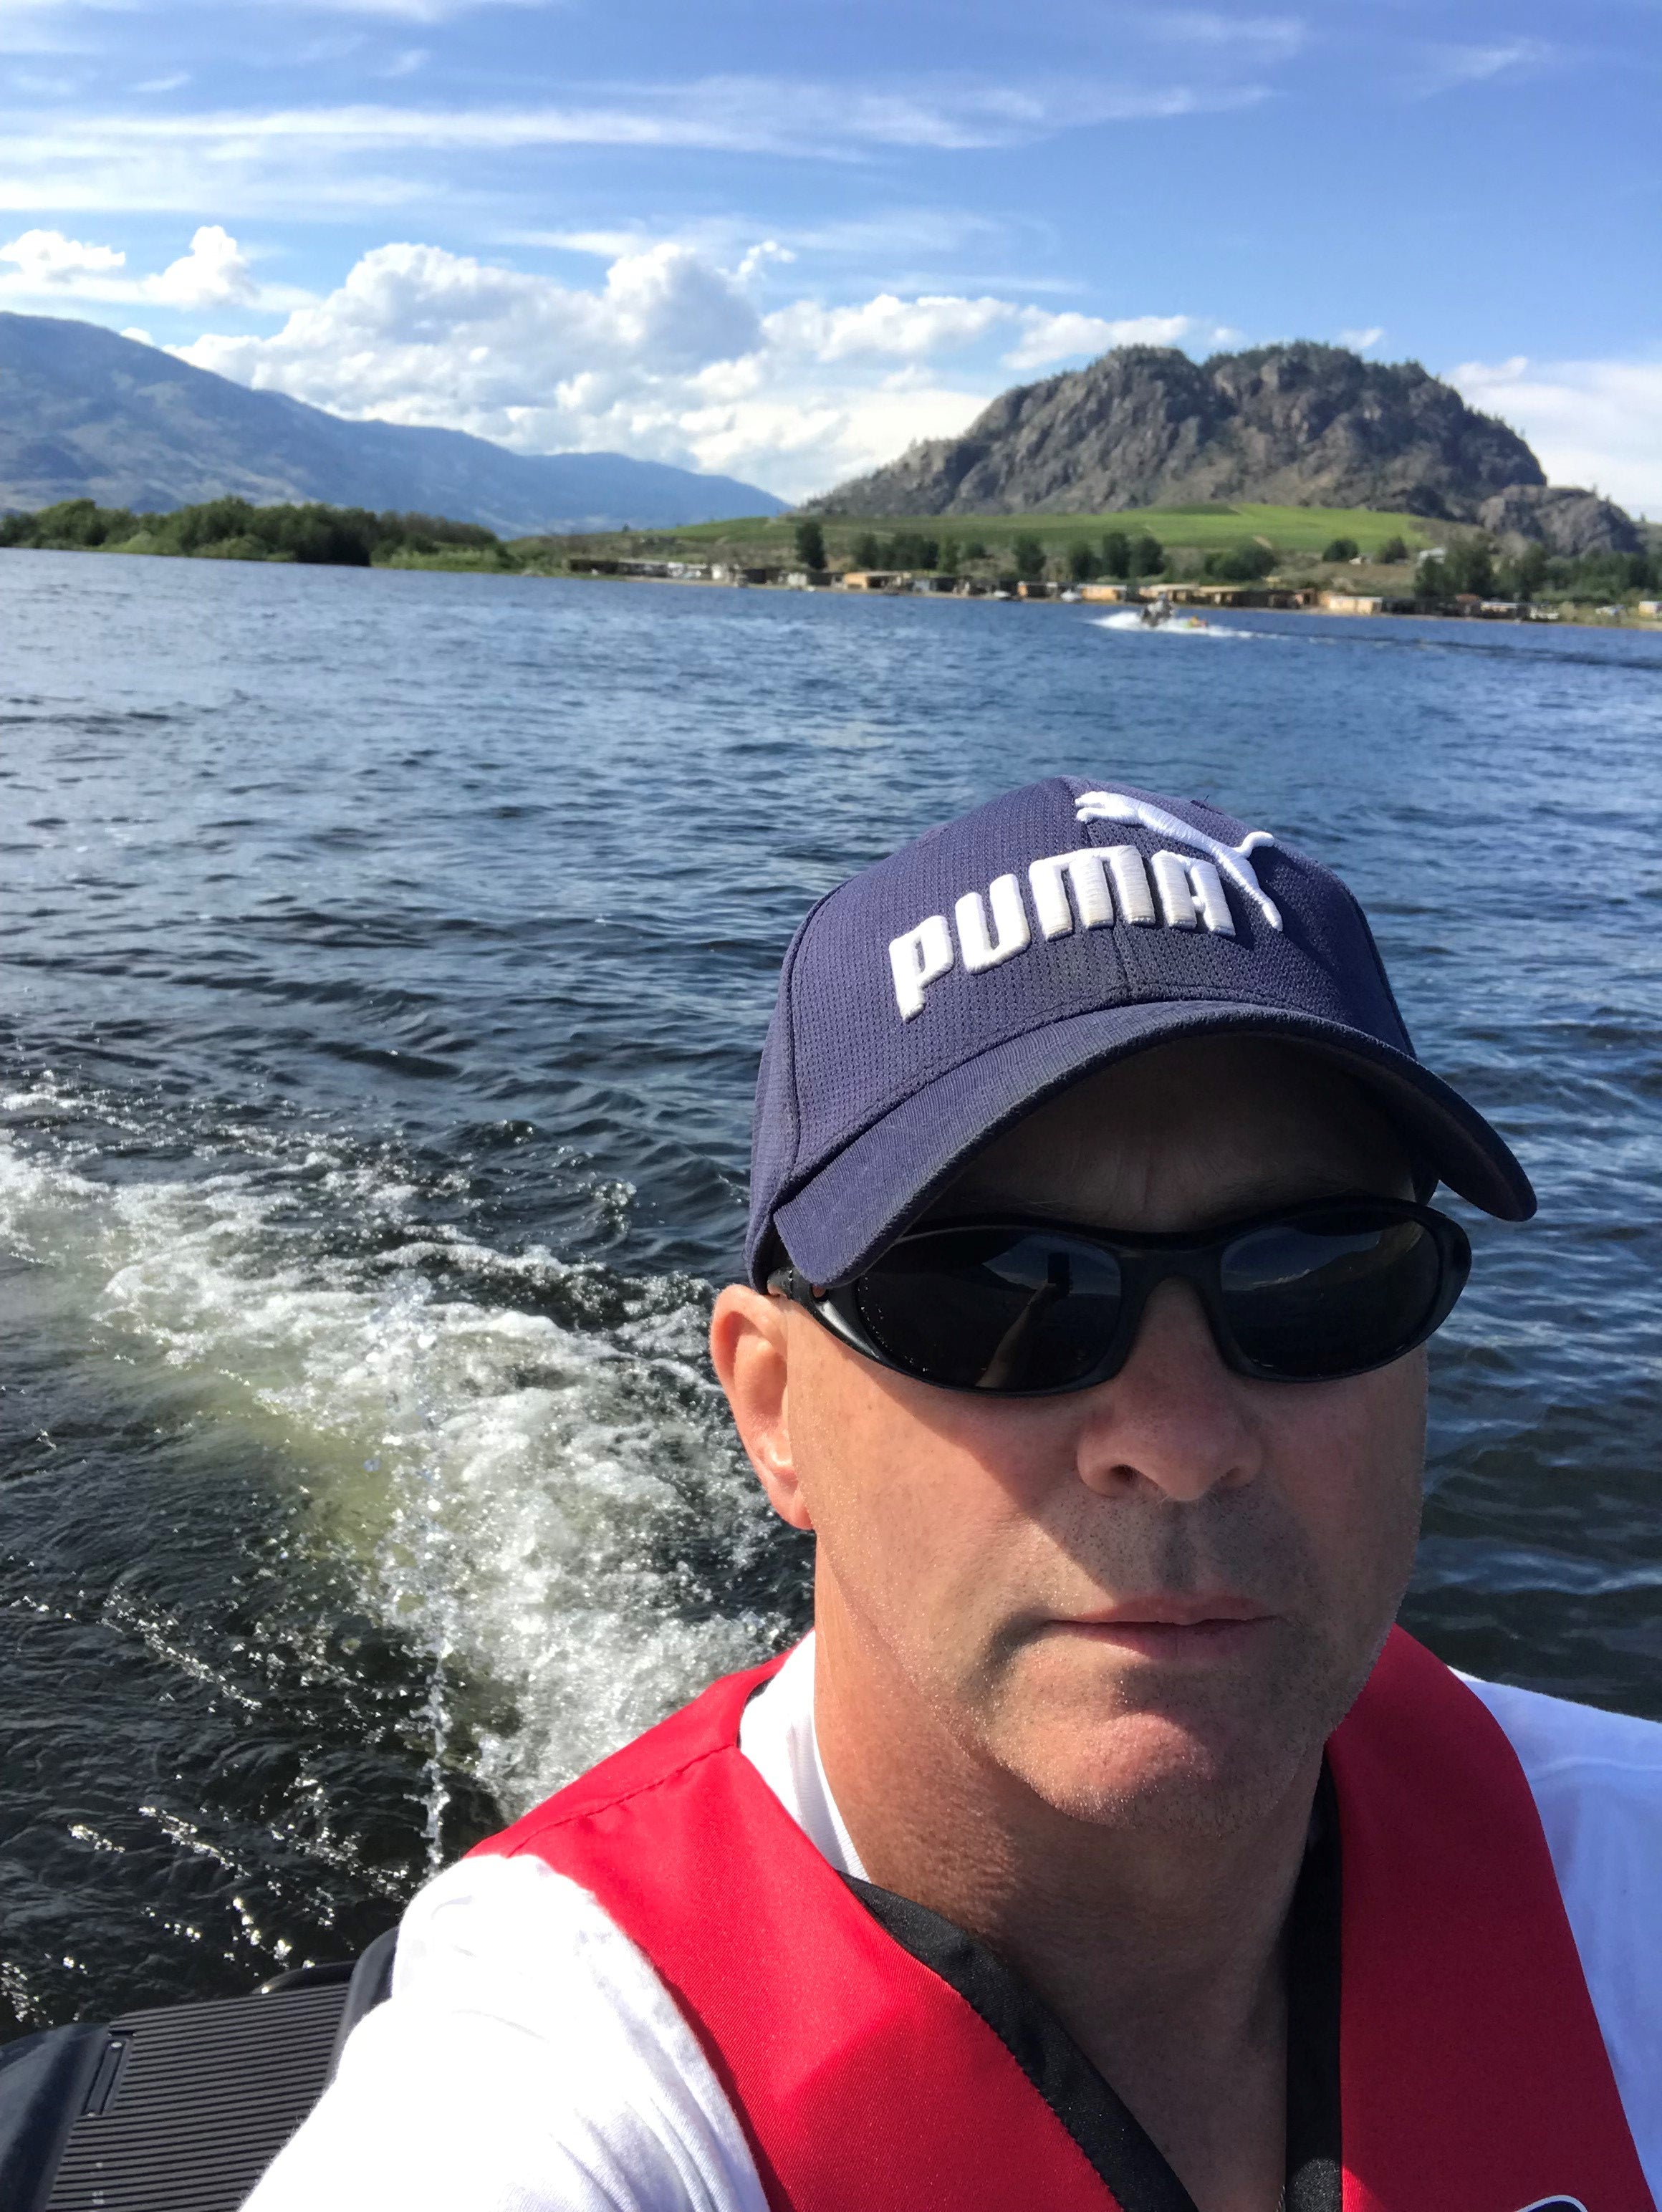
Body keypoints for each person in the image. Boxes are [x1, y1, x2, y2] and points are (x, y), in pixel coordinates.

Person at [245, 778, 1662, 2212]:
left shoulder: (1624, 1872)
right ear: (773, 1407)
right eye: (998, 1296)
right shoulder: (556, 2083)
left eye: (1314, 1277)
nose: (1175, 1438)